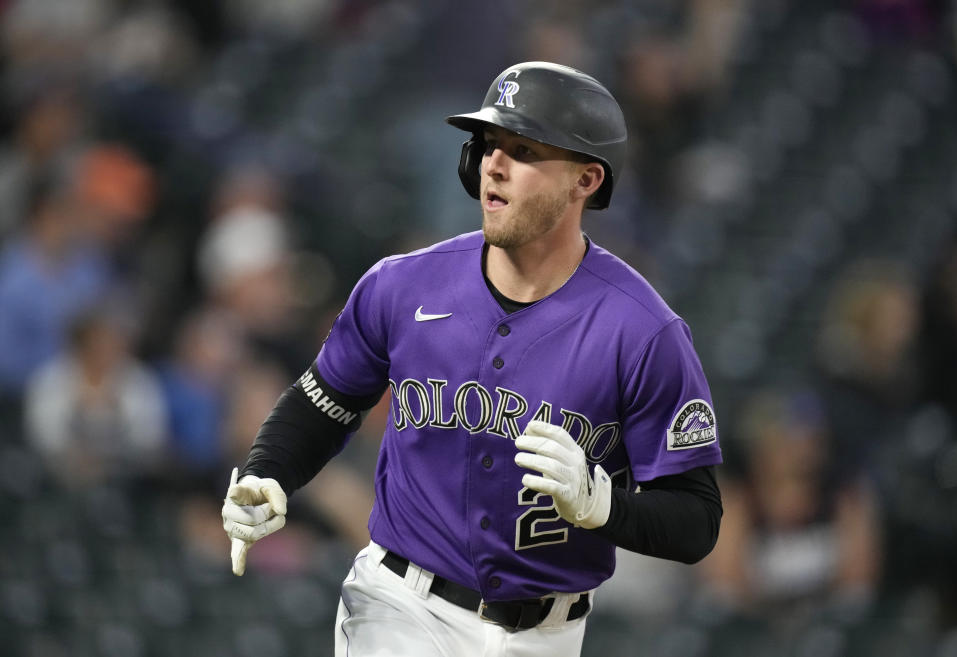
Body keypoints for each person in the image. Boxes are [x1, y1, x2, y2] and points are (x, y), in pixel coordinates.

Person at [222, 61, 723, 656]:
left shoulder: (643, 332)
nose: (494, 164)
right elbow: (324, 400)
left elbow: (696, 520)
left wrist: (603, 506)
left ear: (586, 181)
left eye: (524, 150)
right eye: (488, 145)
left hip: (549, 634)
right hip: (398, 605)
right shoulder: (401, 285)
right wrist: (267, 470)